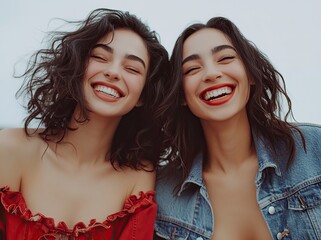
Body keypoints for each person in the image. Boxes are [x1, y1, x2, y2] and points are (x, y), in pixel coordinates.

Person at [0, 8, 169, 239]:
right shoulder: (11, 148)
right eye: (100, 57)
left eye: (132, 68)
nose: (113, 72)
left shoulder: (138, 178)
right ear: (78, 68)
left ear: (142, 96)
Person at [154, 16, 321, 240]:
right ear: (181, 95)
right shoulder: (163, 194)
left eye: (225, 58)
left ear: (250, 73)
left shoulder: (313, 149)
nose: (212, 74)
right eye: (192, 69)